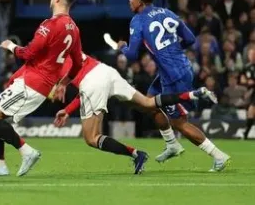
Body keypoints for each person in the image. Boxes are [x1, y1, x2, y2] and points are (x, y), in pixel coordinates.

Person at [0, 0, 84, 178]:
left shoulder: (49, 25)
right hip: (41, 83)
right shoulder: (74, 29)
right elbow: (76, 65)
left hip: (33, 83)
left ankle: (27, 151)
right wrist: (64, 83)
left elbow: (28, 53)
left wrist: (10, 46)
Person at [118, 0, 230, 171]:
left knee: (179, 122)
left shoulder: (138, 20)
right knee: (148, 103)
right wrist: (173, 51)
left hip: (173, 76)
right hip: (178, 68)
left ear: (140, 0)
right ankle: (172, 144)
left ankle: (218, 156)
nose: (129, 0)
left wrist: (121, 46)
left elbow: (132, 54)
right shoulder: (167, 12)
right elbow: (190, 39)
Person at [53, 53, 217, 174]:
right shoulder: (69, 47)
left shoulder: (53, 60)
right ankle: (192, 94)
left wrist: (62, 85)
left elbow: (86, 84)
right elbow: (85, 88)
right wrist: (67, 110)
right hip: (106, 71)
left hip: (92, 81)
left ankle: (136, 154)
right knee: (147, 103)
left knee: (91, 138)